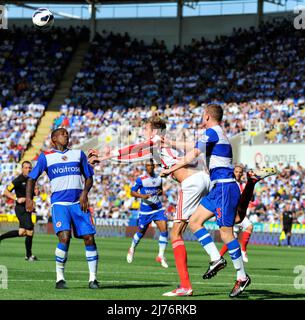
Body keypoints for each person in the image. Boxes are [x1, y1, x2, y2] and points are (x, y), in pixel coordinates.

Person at [88, 116, 211, 297]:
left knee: (176, 233)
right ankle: (228, 266)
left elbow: (133, 149)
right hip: (202, 179)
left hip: (191, 182)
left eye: (146, 129)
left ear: (154, 131)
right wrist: (105, 157)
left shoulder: (155, 140)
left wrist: (105, 155)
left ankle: (188, 283)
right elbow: (132, 157)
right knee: (209, 223)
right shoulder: (158, 147)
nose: (144, 133)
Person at [161, 104, 250, 298]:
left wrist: (171, 168)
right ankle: (216, 258)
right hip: (219, 188)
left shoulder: (211, 132)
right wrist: (169, 142)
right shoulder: (217, 134)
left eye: (203, 115)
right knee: (194, 222)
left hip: (225, 188)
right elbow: (192, 147)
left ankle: (242, 277)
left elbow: (193, 153)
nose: (202, 118)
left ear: (208, 116)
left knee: (226, 234)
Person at [25, 128, 100, 289]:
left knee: (89, 238)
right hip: (59, 204)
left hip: (78, 203)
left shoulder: (78, 154)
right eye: (62, 133)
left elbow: (89, 177)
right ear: (53, 139)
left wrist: (84, 194)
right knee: (64, 238)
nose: (66, 135)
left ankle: (93, 279)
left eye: (67, 133)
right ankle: (60, 278)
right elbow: (31, 179)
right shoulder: (46, 157)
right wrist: (29, 199)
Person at [127, 161, 169, 268]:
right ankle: (132, 248)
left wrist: (159, 192)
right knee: (141, 232)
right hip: (146, 211)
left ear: (154, 166)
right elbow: (132, 192)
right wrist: (142, 196)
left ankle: (160, 255)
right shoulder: (141, 179)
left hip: (157, 209)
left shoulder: (159, 178)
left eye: (150, 166)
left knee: (164, 229)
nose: (148, 168)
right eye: (146, 166)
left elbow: (160, 190)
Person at [0, 161, 38, 261]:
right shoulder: (18, 180)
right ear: (22, 169)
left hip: (28, 208)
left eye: (30, 168)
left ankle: (1, 237)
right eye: (26, 167)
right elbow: (6, 191)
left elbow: (34, 193)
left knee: (22, 232)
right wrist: (16, 198)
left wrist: (36, 192)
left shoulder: (32, 180)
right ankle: (28, 256)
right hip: (20, 209)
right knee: (30, 229)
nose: (28, 169)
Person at [220, 165, 253, 263]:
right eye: (236, 172)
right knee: (232, 237)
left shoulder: (241, 184)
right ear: (233, 172)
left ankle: (242, 250)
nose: (238, 174)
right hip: (231, 213)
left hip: (238, 213)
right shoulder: (230, 183)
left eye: (240, 172)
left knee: (233, 236)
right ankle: (220, 256)